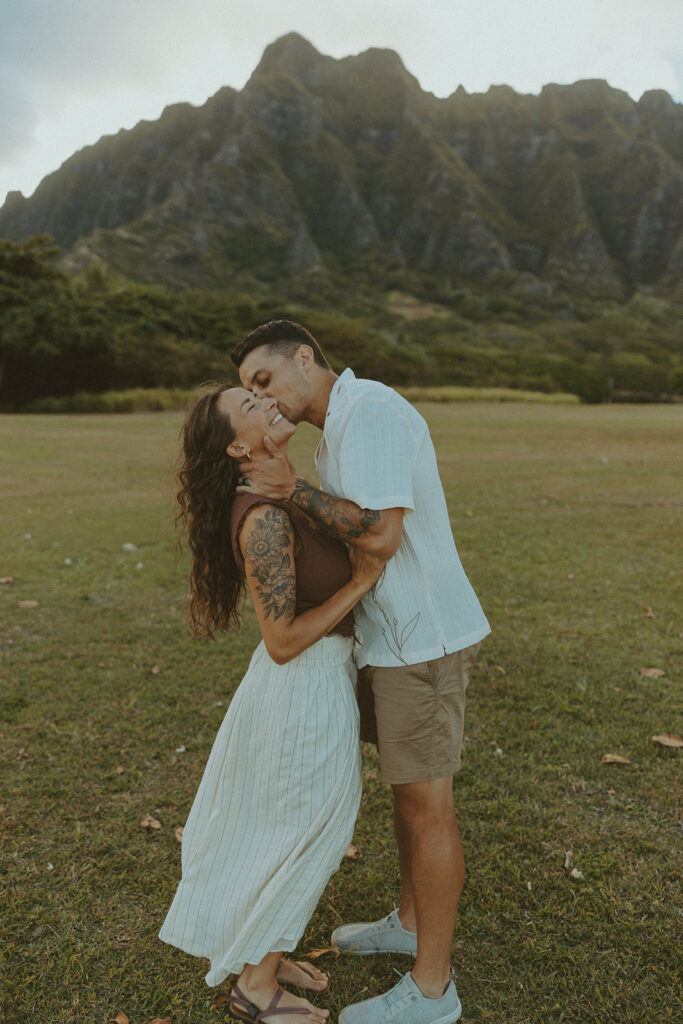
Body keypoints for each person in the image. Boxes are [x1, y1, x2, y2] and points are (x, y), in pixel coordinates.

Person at [231, 321, 491, 1024]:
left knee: (426, 804)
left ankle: (432, 991)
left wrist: (291, 489)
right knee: (406, 797)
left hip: (420, 641)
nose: (263, 398)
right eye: (250, 391)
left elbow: (380, 535)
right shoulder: (336, 427)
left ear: (305, 359)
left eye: (264, 380)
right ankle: (408, 922)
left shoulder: (368, 411)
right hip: (388, 641)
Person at [158, 383, 385, 1024]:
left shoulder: (280, 495)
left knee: (285, 827)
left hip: (311, 686)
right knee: (310, 829)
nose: (270, 404)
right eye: (251, 407)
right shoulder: (261, 517)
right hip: (300, 691)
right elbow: (282, 639)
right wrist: (362, 585)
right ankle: (255, 988)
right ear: (237, 444)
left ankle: (265, 949)